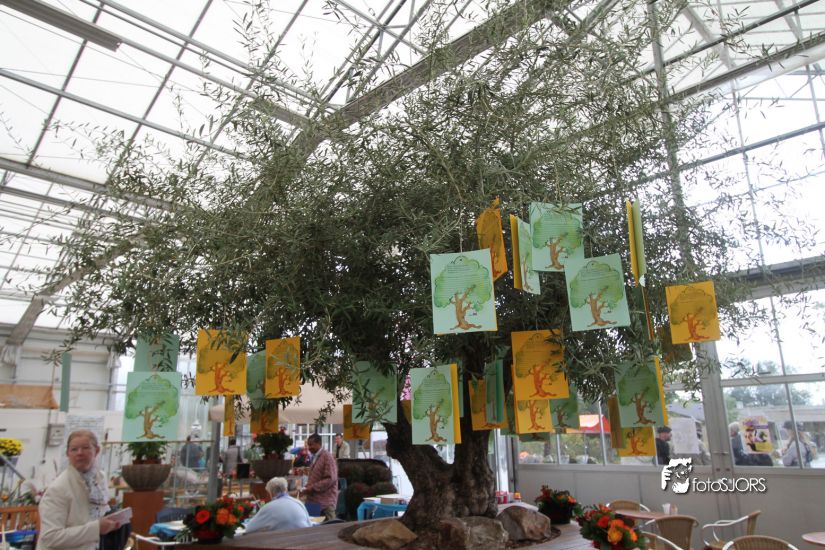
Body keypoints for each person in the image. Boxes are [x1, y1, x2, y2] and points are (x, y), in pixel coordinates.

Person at [38, 430, 120, 549]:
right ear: (68, 453)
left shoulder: (99, 478)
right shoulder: (58, 489)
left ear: (97, 450)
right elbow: (50, 537)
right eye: (74, 449)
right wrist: (96, 528)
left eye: (85, 448)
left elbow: (98, 512)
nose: (79, 453)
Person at [244, 477, 313, 534]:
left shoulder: (269, 507)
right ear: (286, 489)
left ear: (270, 493)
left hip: (283, 542)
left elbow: (249, 529)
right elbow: (309, 524)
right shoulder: (298, 503)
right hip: (304, 540)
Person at [300, 433, 339, 521]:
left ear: (319, 443)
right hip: (312, 501)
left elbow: (330, 479)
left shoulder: (327, 457)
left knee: (328, 528)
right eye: (308, 445)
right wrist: (307, 488)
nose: (309, 447)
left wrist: (312, 488)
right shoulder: (315, 457)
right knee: (312, 527)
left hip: (325, 504)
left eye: (311, 445)